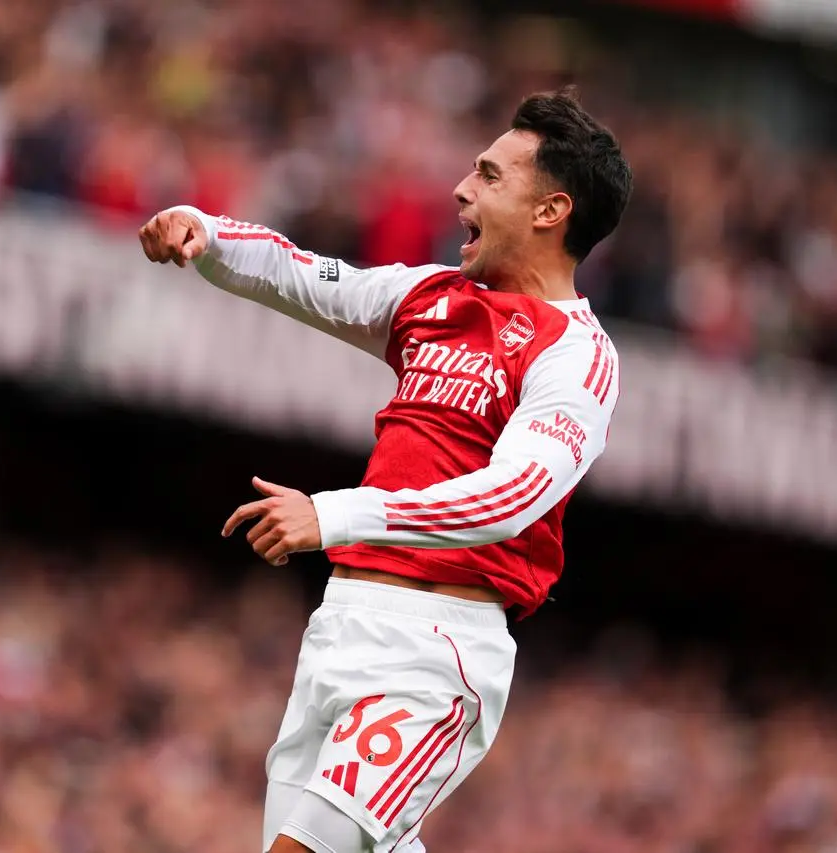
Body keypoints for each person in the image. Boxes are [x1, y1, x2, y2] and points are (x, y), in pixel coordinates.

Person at [138, 87, 632, 853]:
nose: (463, 189)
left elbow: (512, 497)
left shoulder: (577, 356)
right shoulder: (429, 297)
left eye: (491, 176)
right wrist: (203, 231)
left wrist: (332, 514)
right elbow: (301, 274)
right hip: (341, 625)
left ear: (550, 211)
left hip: (435, 651)